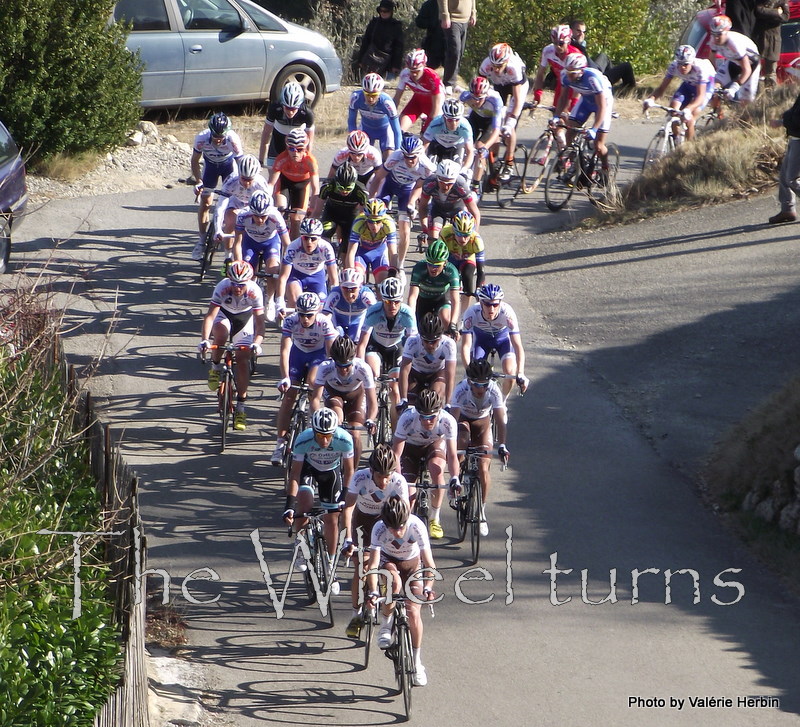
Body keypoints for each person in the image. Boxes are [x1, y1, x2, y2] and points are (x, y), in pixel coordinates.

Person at [365, 495, 437, 686]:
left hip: (413, 565)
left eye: (401, 527)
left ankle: (417, 662)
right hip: (388, 561)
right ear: (385, 523)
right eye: (392, 528)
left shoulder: (416, 526)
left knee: (413, 612)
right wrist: (373, 591)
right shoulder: (379, 529)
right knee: (394, 584)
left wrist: (428, 587)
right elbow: (372, 565)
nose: (397, 532)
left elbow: (429, 564)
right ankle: (386, 623)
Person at [341, 444, 410, 638]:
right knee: (361, 567)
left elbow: (404, 515)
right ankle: (355, 614)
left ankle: (384, 601)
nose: (385, 480)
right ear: (371, 471)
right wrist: (347, 539)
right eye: (380, 476)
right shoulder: (360, 477)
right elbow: (348, 509)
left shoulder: (399, 481)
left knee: (384, 564)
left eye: (388, 475)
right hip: (362, 522)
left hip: (386, 523)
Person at [283, 406, 354, 586]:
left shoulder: (344, 439)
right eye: (320, 435)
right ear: (313, 431)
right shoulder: (303, 440)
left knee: (332, 518)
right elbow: (294, 474)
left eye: (328, 436)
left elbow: (349, 471)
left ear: (334, 432)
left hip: (330, 473)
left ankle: (330, 564)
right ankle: (301, 548)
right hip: (307, 469)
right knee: (304, 507)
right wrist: (289, 505)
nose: (324, 440)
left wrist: (344, 496)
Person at [271, 292, 338, 465]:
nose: (305, 319)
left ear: (316, 312)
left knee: (312, 384)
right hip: (298, 355)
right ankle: (279, 444)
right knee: (288, 397)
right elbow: (285, 350)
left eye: (309, 315)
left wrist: (330, 377)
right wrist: (285, 377)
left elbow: (330, 354)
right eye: (302, 314)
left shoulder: (324, 322)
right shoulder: (291, 321)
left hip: (317, 355)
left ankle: (316, 435)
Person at [198, 261, 264, 431]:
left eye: (241, 285)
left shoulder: (254, 292)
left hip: (245, 320)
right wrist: (205, 339)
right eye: (234, 283)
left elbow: (260, 323)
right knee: (221, 334)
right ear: (229, 280)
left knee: (242, 360)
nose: (237, 288)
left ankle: (241, 407)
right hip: (224, 314)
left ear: (248, 282)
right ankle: (215, 367)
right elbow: (210, 316)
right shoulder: (222, 287)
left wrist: (257, 343)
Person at [448, 357, 508, 536]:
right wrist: (454, 452)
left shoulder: (494, 390)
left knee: (483, 467)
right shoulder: (460, 390)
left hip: (482, 422)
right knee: (462, 439)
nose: (480, 389)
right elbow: (452, 423)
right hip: (463, 420)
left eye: (484, 384)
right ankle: (457, 479)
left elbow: (500, 420)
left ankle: (481, 511)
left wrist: (502, 445)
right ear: (468, 381)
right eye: (476, 384)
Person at [392, 388, 460, 539]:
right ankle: (407, 525)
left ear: (439, 413)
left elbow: (453, 455)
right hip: (410, 448)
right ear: (417, 413)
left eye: (432, 417)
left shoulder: (448, 421)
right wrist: (399, 480)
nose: (427, 421)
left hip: (433, 444)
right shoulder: (407, 418)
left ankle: (434, 518)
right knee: (408, 495)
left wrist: (455, 478)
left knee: (436, 470)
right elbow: (396, 454)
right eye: (423, 417)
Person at [357, 275, 418, 423]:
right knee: (372, 372)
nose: (392, 306)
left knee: (395, 390)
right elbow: (362, 343)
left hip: (396, 348)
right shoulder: (373, 312)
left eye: (396, 301)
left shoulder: (407, 313)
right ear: (382, 300)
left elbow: (413, 344)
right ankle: (368, 405)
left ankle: (396, 432)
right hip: (376, 347)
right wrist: (359, 367)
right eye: (388, 301)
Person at [368, 135, 436, 266]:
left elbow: (419, 186)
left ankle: (399, 264)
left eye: (413, 158)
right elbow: (378, 178)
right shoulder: (395, 157)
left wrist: (411, 203)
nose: (409, 161)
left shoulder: (426, 166)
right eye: (406, 157)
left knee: (405, 231)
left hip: (407, 190)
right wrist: (371, 199)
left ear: (419, 154)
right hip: (389, 185)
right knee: (375, 215)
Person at [312, 335, 377, 466]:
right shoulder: (325, 367)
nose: (343, 370)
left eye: (347, 365)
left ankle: (353, 471)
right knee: (336, 422)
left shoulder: (363, 368)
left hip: (356, 395)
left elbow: (372, 400)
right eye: (339, 366)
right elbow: (315, 398)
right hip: (334, 393)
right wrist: (316, 418)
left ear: (353, 360)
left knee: (355, 434)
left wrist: (370, 420)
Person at [460, 282, 529, 399]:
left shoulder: (507, 313)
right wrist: (468, 370)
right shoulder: (471, 313)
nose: (491, 309)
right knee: (476, 373)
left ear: (500, 303)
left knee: (510, 372)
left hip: (503, 341)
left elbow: (518, 346)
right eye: (487, 304)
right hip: (481, 342)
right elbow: (466, 346)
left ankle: (502, 402)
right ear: (480, 302)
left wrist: (521, 372)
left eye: (495, 305)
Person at [191, 113, 244, 261]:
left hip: (228, 167)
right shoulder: (201, 138)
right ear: (210, 132)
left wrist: (240, 186)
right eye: (215, 136)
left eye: (222, 136)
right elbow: (195, 161)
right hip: (210, 167)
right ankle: (201, 241)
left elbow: (241, 165)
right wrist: (198, 181)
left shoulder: (233, 139)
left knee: (229, 205)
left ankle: (227, 240)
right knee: (205, 202)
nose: (219, 140)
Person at [232, 190, 290, 322]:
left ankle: (269, 300)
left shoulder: (275, 216)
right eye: (256, 216)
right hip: (250, 241)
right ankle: (249, 299)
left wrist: (284, 265)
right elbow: (237, 242)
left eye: (263, 216)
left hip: (271, 242)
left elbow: (287, 244)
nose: (260, 220)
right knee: (247, 271)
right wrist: (238, 263)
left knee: (273, 269)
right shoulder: (243, 215)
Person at [554, 53, 614, 170]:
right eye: (568, 72)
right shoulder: (565, 75)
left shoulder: (592, 78)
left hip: (603, 103)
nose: (569, 76)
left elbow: (601, 106)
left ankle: (605, 168)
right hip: (586, 101)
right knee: (570, 132)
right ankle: (573, 159)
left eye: (573, 74)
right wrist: (557, 116)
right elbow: (563, 97)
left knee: (598, 145)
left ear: (581, 71)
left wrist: (594, 129)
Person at [643, 45, 715, 141]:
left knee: (690, 117)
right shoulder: (673, 66)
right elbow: (661, 88)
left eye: (685, 64)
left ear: (692, 62)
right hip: (688, 85)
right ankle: (677, 140)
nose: (682, 67)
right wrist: (651, 99)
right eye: (680, 64)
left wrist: (688, 109)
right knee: (673, 109)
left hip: (705, 87)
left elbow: (701, 96)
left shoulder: (700, 69)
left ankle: (688, 150)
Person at [213, 154, 272, 271]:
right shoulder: (231, 180)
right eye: (243, 179)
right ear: (239, 174)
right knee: (230, 220)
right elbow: (220, 206)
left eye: (250, 180)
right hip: (236, 201)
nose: (246, 183)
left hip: (252, 206)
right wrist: (218, 229)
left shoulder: (261, 184)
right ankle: (228, 257)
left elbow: (268, 208)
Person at [478, 42, 529, 178]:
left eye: (499, 66)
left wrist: (511, 121)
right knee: (495, 120)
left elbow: (517, 100)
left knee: (507, 124)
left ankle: (509, 162)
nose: (495, 69)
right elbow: (479, 89)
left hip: (517, 87)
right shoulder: (486, 64)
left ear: (506, 62)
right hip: (499, 85)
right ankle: (494, 162)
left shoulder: (514, 67)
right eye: (494, 66)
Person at [275, 217, 338, 313]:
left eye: (313, 239)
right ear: (301, 237)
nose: (309, 242)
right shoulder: (293, 247)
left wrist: (333, 302)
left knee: (319, 310)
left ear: (319, 238)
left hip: (317, 276)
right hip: (297, 275)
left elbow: (334, 279)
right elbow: (283, 277)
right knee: (295, 302)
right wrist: (279, 303)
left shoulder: (326, 248)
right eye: (305, 238)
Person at [267, 127, 320, 239]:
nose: (295, 153)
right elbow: (271, 184)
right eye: (291, 149)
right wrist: (267, 201)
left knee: (296, 219)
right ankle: (275, 239)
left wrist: (312, 208)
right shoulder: (282, 158)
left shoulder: (310, 161)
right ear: (287, 147)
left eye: (299, 149)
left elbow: (316, 189)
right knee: (280, 209)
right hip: (284, 183)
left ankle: (291, 247)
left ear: (305, 149)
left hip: (302, 186)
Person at [397, 311, 457, 408]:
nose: (430, 345)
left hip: (437, 373)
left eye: (434, 341)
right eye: (425, 340)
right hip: (416, 373)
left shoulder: (448, 344)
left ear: (441, 337)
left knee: (435, 401)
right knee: (410, 406)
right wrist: (403, 399)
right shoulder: (412, 341)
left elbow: (450, 375)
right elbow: (404, 371)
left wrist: (448, 403)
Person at [313, 162, 369, 260]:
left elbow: (363, 215)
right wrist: (312, 226)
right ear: (336, 182)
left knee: (347, 247)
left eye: (348, 188)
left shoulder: (361, 191)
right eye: (341, 187)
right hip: (331, 214)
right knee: (324, 235)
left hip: (350, 217)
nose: (344, 191)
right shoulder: (327, 186)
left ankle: (344, 267)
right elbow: (317, 211)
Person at [417, 159, 480, 244]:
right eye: (442, 182)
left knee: (461, 237)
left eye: (449, 183)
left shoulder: (460, 184)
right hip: (438, 210)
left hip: (457, 209)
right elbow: (422, 206)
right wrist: (425, 230)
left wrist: (474, 234)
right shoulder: (429, 183)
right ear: (437, 178)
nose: (445, 187)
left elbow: (475, 212)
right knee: (433, 240)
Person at [407, 239, 461, 334]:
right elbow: (413, 297)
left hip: (442, 298)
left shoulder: (452, 271)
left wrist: (453, 324)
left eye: (437, 265)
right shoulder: (419, 268)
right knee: (420, 330)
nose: (433, 268)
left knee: (446, 320)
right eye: (430, 264)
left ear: (444, 263)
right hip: (423, 299)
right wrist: (410, 320)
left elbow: (455, 300)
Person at [460, 76, 505, 192]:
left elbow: (495, 131)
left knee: (480, 148)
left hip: (491, 122)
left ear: (486, 95)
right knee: (464, 144)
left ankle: (475, 186)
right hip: (476, 118)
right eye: (474, 98)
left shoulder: (495, 100)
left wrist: (485, 147)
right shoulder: (465, 96)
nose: (476, 101)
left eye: (479, 98)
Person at [567, 18, 636, 92]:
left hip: (595, 69)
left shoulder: (571, 45)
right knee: (626, 66)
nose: (581, 34)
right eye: (578, 31)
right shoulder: (575, 47)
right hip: (596, 77)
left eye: (583, 32)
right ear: (571, 31)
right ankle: (628, 88)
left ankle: (611, 80)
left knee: (603, 56)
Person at [258, 81, 315, 170]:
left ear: (299, 105)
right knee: (273, 177)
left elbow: (309, 142)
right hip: (277, 143)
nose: (290, 112)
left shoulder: (307, 113)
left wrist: (306, 160)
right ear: (282, 104)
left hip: (297, 146)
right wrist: (260, 160)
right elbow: (266, 134)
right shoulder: (275, 108)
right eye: (287, 108)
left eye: (293, 109)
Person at [768, 68, 800, 224]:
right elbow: (795, 113)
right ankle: (787, 209)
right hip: (795, 138)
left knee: (792, 179)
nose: (795, 78)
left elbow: (797, 120)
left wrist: (781, 121)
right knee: (784, 176)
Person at [708, 14, 761, 106]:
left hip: (751, 65)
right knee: (713, 88)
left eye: (719, 34)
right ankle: (718, 116)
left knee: (745, 102)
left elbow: (747, 70)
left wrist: (734, 87)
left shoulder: (734, 44)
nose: (716, 38)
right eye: (714, 34)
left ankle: (744, 119)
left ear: (726, 32)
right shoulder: (713, 39)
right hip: (733, 61)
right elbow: (711, 63)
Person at [348, 74, 403, 161]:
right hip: (366, 130)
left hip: (385, 131)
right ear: (363, 91)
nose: (370, 99)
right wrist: (353, 142)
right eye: (367, 94)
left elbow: (397, 131)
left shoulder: (387, 103)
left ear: (380, 92)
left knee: (388, 161)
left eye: (374, 95)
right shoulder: (356, 97)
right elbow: (351, 122)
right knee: (361, 159)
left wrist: (398, 153)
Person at [345, 198, 399, 286]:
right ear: (366, 218)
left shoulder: (389, 224)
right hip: (361, 253)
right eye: (370, 221)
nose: (374, 226)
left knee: (383, 283)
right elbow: (351, 252)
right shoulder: (359, 223)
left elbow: (393, 253)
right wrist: (351, 272)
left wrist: (392, 271)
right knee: (356, 279)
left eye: (378, 222)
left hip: (379, 253)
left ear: (383, 219)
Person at [439, 210, 484, 310]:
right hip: (450, 258)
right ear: (453, 230)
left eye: (466, 235)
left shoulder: (477, 240)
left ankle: (463, 315)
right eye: (459, 234)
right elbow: (439, 257)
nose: (463, 239)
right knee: (444, 277)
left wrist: (478, 289)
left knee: (468, 277)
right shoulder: (445, 232)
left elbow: (481, 271)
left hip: (467, 259)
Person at [531, 26, 583, 113]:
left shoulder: (575, 55)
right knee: (556, 116)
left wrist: (573, 102)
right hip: (561, 83)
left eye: (561, 43)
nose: (557, 47)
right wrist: (537, 94)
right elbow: (540, 73)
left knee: (568, 117)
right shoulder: (548, 51)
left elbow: (579, 82)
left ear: (568, 41)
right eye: (555, 43)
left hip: (575, 85)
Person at [393, 48, 445, 134]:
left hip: (434, 104)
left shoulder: (432, 77)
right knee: (398, 131)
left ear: (424, 67)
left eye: (416, 71)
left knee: (427, 135)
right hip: (417, 101)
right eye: (411, 71)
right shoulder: (405, 74)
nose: (413, 74)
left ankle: (425, 121)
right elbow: (396, 99)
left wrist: (425, 131)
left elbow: (436, 108)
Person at [422, 98, 475, 172]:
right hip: (437, 145)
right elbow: (422, 148)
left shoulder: (465, 126)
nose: (454, 124)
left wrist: (464, 169)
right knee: (429, 171)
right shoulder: (436, 123)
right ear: (444, 117)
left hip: (456, 146)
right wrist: (427, 165)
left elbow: (470, 152)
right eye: (450, 120)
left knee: (456, 171)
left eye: (457, 120)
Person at [323, 267, 377, 340]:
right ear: (340, 286)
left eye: (353, 289)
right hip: (338, 322)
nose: (350, 295)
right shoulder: (335, 293)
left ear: (360, 287)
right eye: (345, 289)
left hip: (358, 323)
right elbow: (326, 315)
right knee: (336, 339)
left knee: (356, 339)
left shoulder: (366, 294)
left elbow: (375, 313)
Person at [356, 0, 404, 78]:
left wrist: (396, 65)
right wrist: (361, 60)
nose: (383, 13)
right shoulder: (374, 23)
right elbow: (366, 41)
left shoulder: (396, 26)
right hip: (370, 61)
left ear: (391, 11)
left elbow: (399, 47)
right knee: (369, 86)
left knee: (386, 87)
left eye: (386, 11)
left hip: (388, 64)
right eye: (381, 10)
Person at [438, 0, 477, 94]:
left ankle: (454, 83)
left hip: (465, 20)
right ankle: (448, 83)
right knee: (455, 50)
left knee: (460, 52)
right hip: (453, 19)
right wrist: (445, 15)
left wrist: (473, 13)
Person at [754, 0, 789, 88]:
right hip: (759, 39)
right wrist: (776, 12)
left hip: (773, 41)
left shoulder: (782, 1)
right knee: (754, 69)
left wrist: (766, 12)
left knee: (771, 72)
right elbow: (758, 11)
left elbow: (785, 16)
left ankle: (771, 95)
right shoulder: (760, 2)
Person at [416, 0, 446, 70]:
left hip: (448, 46)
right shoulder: (429, 4)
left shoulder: (452, 5)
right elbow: (419, 22)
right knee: (431, 71)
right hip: (432, 45)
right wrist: (432, 23)